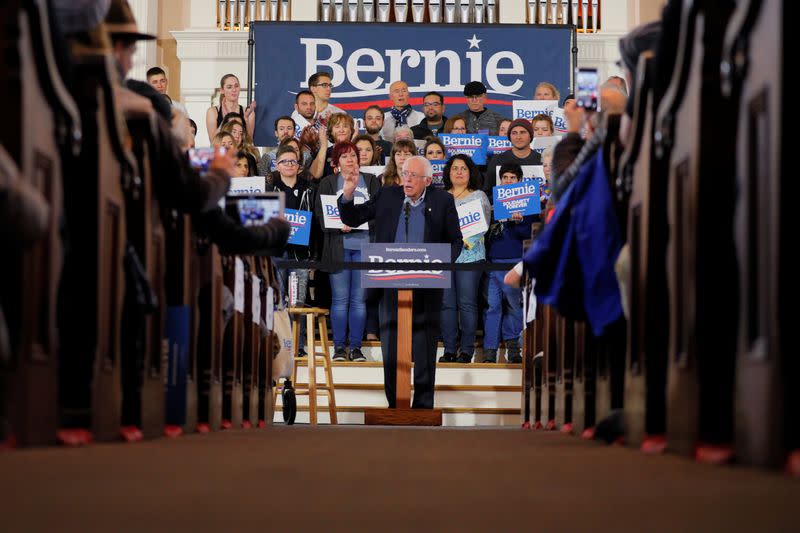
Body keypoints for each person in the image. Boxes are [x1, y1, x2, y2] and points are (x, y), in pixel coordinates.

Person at [337, 156, 462, 409]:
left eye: (413, 175)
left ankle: (423, 407)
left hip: (428, 287)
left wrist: (438, 263)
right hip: (390, 285)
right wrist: (348, 194)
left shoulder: (442, 200)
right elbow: (352, 218)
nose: (407, 179)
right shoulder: (387, 196)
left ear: (428, 180)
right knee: (391, 350)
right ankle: (396, 405)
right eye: (405, 173)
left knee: (425, 348)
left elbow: (456, 241)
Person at [315, 142, 381, 362]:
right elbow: (321, 215)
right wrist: (338, 224)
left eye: (353, 155)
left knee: (359, 301)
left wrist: (357, 221)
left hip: (364, 246)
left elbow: (379, 214)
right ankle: (339, 348)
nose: (350, 159)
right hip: (338, 247)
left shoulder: (371, 181)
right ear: (336, 162)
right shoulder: (327, 182)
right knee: (340, 299)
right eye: (344, 156)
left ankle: (356, 347)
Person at [438, 154, 491, 364]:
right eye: (455, 168)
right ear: (448, 173)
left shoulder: (479, 196)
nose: (459, 172)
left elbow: (483, 226)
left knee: (467, 304)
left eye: (463, 169)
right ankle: (450, 349)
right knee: (446, 305)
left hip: (471, 256)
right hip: (444, 257)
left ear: (471, 173)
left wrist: (461, 238)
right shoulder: (440, 196)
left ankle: (466, 350)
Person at [482, 163, 536, 363]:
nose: (508, 181)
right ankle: (489, 352)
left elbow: (527, 235)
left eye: (512, 177)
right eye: (505, 177)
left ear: (519, 180)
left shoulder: (530, 204)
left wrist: (517, 222)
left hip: (514, 262)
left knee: (514, 307)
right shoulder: (493, 203)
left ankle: (514, 350)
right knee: (492, 307)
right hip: (493, 262)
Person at [272, 144, 316, 356]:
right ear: (276, 165)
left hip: (301, 254)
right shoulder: (269, 190)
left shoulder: (309, 188)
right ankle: (280, 346)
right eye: (284, 161)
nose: (289, 165)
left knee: (297, 301)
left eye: (293, 161)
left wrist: (313, 256)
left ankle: (298, 346)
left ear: (299, 165)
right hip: (277, 253)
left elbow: (316, 223)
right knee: (278, 300)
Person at [482, 118, 542, 194]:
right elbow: (487, 192)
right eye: (514, 133)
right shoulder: (497, 160)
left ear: (530, 136)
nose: (518, 137)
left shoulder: (541, 160)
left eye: (522, 132)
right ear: (509, 136)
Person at [205, 74, 255, 142]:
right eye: (229, 87)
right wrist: (226, 119)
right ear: (222, 90)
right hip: (222, 152)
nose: (234, 90)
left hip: (241, 152)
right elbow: (213, 141)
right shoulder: (213, 111)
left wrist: (246, 119)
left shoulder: (248, 112)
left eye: (236, 86)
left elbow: (249, 141)